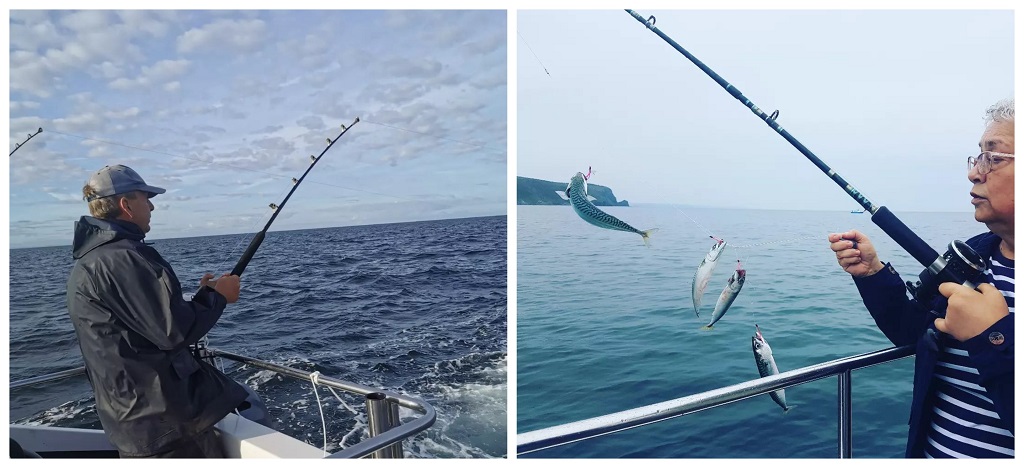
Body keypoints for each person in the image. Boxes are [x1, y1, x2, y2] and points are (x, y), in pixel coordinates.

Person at [828, 99, 1014, 458]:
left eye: (994, 157)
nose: (975, 173)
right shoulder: (976, 255)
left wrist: (992, 337)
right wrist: (874, 275)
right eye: (978, 157)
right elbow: (910, 330)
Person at [66, 164, 249, 458]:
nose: (151, 206)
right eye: (145, 198)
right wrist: (220, 298)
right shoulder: (123, 258)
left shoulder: (95, 259)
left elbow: (146, 322)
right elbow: (172, 330)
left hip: (139, 420)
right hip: (162, 426)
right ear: (126, 205)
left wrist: (206, 294)